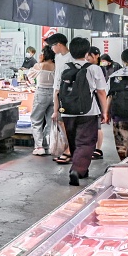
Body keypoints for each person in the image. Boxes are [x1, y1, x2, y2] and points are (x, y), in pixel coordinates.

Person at [55, 37, 109, 186]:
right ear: (87, 52)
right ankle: (77, 169)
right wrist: (104, 112)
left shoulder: (63, 67)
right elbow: (101, 92)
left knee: (73, 142)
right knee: (86, 142)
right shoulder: (94, 68)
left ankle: (82, 170)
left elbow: (57, 91)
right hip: (88, 111)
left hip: (67, 112)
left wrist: (57, 111)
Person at [47, 33, 73, 165]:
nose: (51, 48)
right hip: (57, 91)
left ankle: (69, 150)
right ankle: (69, 148)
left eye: (52, 45)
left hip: (67, 93)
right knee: (61, 122)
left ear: (59, 44)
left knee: (65, 122)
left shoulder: (71, 57)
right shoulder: (58, 57)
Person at [28, 46, 56, 156]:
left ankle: (39, 147)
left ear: (45, 54)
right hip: (53, 94)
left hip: (41, 93)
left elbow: (29, 77)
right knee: (50, 121)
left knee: (36, 120)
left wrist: (39, 62)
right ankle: (47, 145)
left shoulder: (39, 65)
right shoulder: (56, 66)